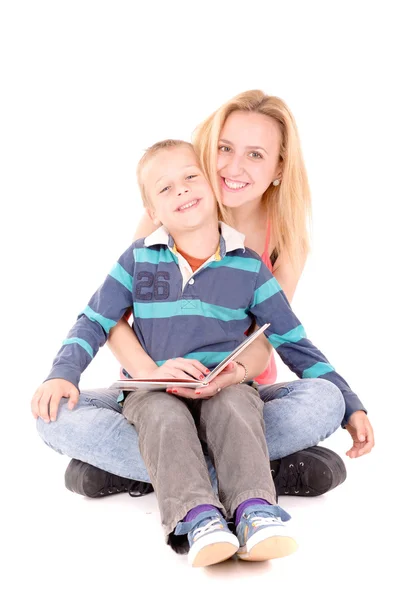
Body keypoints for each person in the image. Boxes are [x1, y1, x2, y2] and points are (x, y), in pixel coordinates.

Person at [32, 139, 365, 566]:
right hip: (152, 393)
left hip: (225, 393)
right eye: (165, 188)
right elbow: (94, 320)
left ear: (211, 184)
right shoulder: (137, 259)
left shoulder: (248, 266)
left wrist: (351, 405)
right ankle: (202, 514)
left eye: (191, 178)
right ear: (152, 211)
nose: (182, 191)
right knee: (56, 414)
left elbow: (294, 341)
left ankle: (253, 511)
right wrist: (63, 374)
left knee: (320, 400)